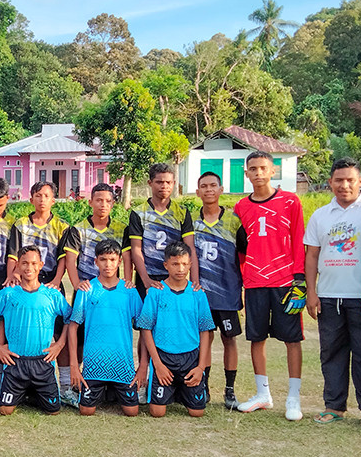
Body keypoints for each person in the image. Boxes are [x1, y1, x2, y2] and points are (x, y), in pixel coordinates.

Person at [234, 151, 306, 421]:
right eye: (253, 169)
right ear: (247, 174)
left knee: (292, 339)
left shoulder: (290, 201)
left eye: (263, 168)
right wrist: (243, 276)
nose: (258, 173)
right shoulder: (241, 207)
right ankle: (263, 394)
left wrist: (300, 279)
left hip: (285, 280)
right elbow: (241, 247)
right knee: (256, 337)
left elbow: (298, 239)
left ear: (273, 170)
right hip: (254, 281)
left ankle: (294, 397)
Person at [305, 158, 361, 423]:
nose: (344, 185)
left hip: (359, 296)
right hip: (329, 297)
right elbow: (312, 256)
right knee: (332, 353)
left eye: (350, 179)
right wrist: (311, 292)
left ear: (360, 182)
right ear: (330, 183)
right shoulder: (320, 216)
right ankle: (335, 407)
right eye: (339, 180)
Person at [6, 181, 73, 403]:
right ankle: (12, 381)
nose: (42, 199)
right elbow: (13, 255)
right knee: (16, 331)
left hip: (49, 284)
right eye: (37, 195)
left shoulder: (62, 226)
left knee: (56, 334)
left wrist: (56, 280)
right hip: (24, 282)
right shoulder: (21, 224)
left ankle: (64, 385)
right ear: (31, 198)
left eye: (46, 195)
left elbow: (64, 257)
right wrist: (13, 275)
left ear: (53, 200)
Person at [0, 245, 71, 415]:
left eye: (33, 263)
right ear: (17, 265)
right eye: (24, 263)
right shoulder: (7, 294)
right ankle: (25, 391)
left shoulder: (52, 295)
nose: (29, 268)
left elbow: (70, 319)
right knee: (5, 410)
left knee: (53, 411)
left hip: (43, 361)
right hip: (15, 362)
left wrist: (59, 345)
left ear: (41, 264)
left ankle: (33, 392)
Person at [136, 242, 214, 418]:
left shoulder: (198, 294)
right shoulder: (156, 293)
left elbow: (205, 331)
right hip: (164, 357)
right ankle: (164, 386)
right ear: (166, 265)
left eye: (185, 264)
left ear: (190, 264)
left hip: (190, 358)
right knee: (157, 412)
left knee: (197, 412)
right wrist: (157, 364)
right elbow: (146, 329)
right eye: (175, 264)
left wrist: (200, 367)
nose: (181, 268)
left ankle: (180, 390)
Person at [68, 239, 144, 416]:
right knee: (86, 411)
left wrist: (142, 366)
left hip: (122, 365)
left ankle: (113, 391)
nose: (108, 264)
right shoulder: (86, 289)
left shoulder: (129, 291)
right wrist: (74, 365)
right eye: (103, 259)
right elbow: (72, 328)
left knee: (132, 412)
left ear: (119, 261)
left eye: (112, 259)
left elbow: (145, 328)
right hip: (93, 365)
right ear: (95, 262)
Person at [193, 172, 246, 409]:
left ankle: (230, 389)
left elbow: (244, 254)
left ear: (221, 189)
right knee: (204, 338)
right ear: (197, 192)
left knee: (229, 339)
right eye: (203, 186)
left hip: (227, 292)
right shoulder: (191, 220)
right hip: (201, 292)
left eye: (213, 185)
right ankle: (203, 386)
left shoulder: (235, 220)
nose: (208, 190)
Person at [128, 163, 199, 299]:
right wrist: (146, 281)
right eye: (159, 182)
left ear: (173, 183)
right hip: (148, 276)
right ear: (150, 183)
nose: (164, 186)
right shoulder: (138, 213)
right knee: (147, 319)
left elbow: (190, 248)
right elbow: (136, 249)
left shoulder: (182, 212)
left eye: (168, 182)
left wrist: (194, 281)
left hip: (175, 276)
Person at [64, 183, 132, 288]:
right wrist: (77, 285)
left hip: (112, 289)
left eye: (108, 201)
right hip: (86, 288)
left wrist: (127, 282)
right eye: (99, 200)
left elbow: (127, 259)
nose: (103, 204)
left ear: (113, 203)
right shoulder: (78, 229)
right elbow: (70, 261)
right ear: (90, 202)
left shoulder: (122, 229)